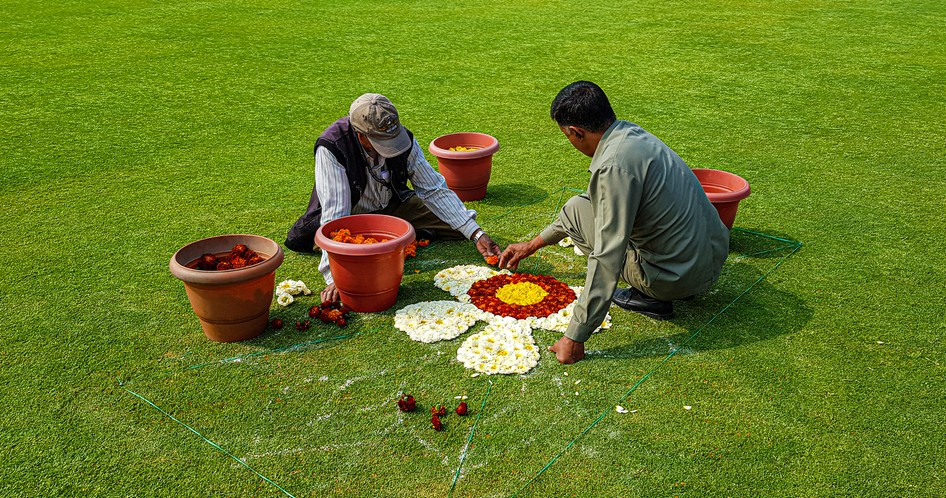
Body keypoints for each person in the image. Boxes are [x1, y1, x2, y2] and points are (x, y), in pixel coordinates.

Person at [498, 81, 729, 365]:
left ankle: (650, 297)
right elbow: (592, 205)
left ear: (576, 132)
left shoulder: (612, 165)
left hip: (675, 279)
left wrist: (574, 337)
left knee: (581, 215)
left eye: (566, 136)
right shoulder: (630, 135)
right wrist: (533, 244)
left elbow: (607, 255)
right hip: (710, 260)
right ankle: (672, 281)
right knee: (578, 206)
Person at [285, 93, 501, 303]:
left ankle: (405, 234)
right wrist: (336, 277)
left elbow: (433, 189)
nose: (390, 147)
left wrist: (476, 234)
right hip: (352, 218)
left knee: (458, 226)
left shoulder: (403, 138)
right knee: (358, 256)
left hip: (393, 205)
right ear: (360, 135)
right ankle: (404, 235)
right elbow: (336, 216)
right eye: (380, 141)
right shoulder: (333, 147)